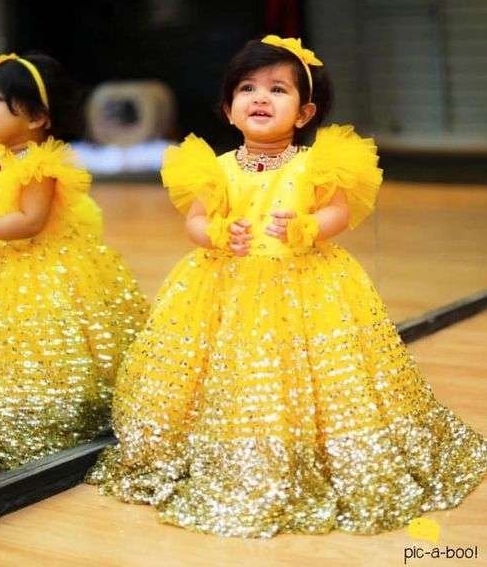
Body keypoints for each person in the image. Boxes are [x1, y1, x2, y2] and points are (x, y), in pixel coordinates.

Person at [86, 35, 487, 538]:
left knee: (309, 371)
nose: (260, 97)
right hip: (227, 286)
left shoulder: (316, 163)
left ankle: (306, 442)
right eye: (247, 88)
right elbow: (195, 221)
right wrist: (216, 233)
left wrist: (309, 227)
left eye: (278, 89)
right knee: (234, 369)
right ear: (228, 109)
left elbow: (338, 210)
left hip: (306, 284)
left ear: (304, 112)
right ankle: (234, 443)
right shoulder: (214, 167)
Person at [0, 52, 148, 474]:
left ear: (38, 117)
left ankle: (32, 413)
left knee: (30, 346)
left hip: (37, 268)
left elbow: (29, 222)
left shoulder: (40, 164)